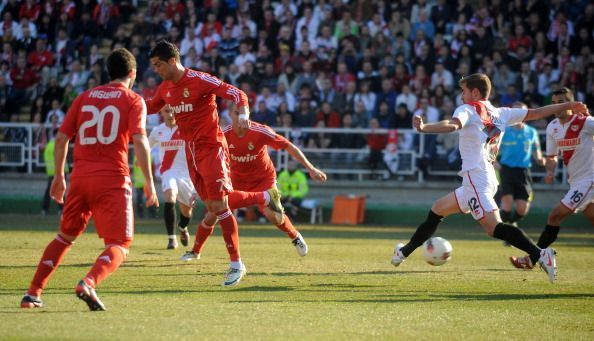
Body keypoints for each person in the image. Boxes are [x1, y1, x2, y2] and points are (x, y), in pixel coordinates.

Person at [391, 73, 589, 284]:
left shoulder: (468, 108)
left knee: (493, 227)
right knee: (437, 209)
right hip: (483, 178)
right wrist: (569, 105)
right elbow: (536, 113)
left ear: (475, 92)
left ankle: (540, 254)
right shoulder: (500, 113)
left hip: (476, 178)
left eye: (464, 91)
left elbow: (453, 125)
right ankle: (403, 252)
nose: (461, 96)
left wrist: (424, 128)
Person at [21, 48, 158, 310]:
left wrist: (59, 176)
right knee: (120, 243)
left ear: (108, 72)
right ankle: (89, 283)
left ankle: (33, 293)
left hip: (80, 178)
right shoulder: (133, 100)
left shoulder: (84, 97)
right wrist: (150, 182)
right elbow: (140, 139)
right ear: (133, 73)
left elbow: (61, 139)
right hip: (112, 179)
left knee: (64, 237)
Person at [145, 40, 267, 286]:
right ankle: (263, 197)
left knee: (220, 203)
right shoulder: (165, 88)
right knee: (213, 206)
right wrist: (126, 106)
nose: (156, 70)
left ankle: (236, 263)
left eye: (158, 64)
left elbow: (236, 93)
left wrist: (243, 113)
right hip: (190, 152)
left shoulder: (200, 80)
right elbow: (148, 107)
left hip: (211, 147)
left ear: (172, 61)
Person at [181, 109, 327, 260]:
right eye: (236, 113)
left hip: (263, 180)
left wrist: (310, 168)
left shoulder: (261, 131)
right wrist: (196, 189)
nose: (241, 117)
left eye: (243, 113)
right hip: (235, 181)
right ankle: (195, 251)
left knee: (274, 217)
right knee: (213, 213)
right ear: (230, 115)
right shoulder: (223, 135)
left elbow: (288, 145)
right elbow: (207, 163)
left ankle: (295, 236)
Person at [510, 87, 594, 269]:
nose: (558, 106)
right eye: (555, 103)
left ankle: (532, 258)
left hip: (589, 180)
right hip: (576, 182)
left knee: (555, 216)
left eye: (562, 102)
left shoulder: (585, 122)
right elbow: (552, 156)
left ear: (571, 103)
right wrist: (550, 171)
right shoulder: (553, 127)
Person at [148, 109, 196, 250]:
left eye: (173, 112)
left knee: (186, 212)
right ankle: (171, 239)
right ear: (161, 113)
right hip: (168, 172)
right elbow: (146, 147)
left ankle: (182, 227)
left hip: (186, 175)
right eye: (167, 111)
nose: (170, 115)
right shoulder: (157, 131)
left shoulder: (186, 128)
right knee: (170, 196)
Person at [495, 101, 545, 225]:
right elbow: (491, 150)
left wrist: (541, 160)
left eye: (521, 111)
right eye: (515, 111)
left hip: (523, 171)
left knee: (522, 209)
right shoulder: (504, 131)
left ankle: (510, 225)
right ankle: (505, 232)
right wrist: (495, 163)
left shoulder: (531, 132)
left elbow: (536, 151)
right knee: (507, 204)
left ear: (526, 114)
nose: (518, 114)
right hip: (506, 169)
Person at [41, 133, 68, 216]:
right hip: (60, 171)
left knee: (49, 191)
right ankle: (62, 209)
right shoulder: (58, 144)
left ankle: (44, 209)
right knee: (61, 191)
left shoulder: (48, 146)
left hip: (51, 172)